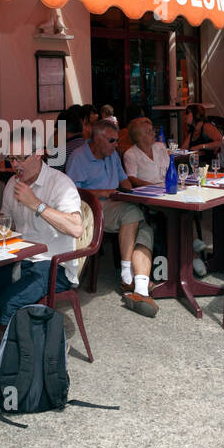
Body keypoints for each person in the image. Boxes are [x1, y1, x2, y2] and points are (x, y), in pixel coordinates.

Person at [0, 126, 84, 325]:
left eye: (21, 158)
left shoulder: (60, 184)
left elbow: (76, 228)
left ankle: (40, 351)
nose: (15, 164)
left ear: (39, 153)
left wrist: (35, 204)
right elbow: (8, 223)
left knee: (10, 303)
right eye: (11, 158)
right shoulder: (13, 183)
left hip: (54, 264)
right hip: (20, 259)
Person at [65, 121, 159, 317]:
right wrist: (102, 192)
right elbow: (71, 193)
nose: (116, 144)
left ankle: (139, 288)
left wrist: (135, 194)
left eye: (117, 140)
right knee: (133, 214)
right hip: (91, 210)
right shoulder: (79, 158)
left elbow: (124, 180)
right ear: (97, 139)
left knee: (145, 227)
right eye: (111, 140)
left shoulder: (112, 154)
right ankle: (127, 274)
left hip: (115, 204)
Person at [122, 116, 170, 186]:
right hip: (148, 192)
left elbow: (170, 170)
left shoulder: (160, 147)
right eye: (149, 131)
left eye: (153, 130)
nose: (154, 133)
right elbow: (132, 178)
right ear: (139, 137)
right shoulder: (130, 154)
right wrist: (153, 187)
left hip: (167, 187)